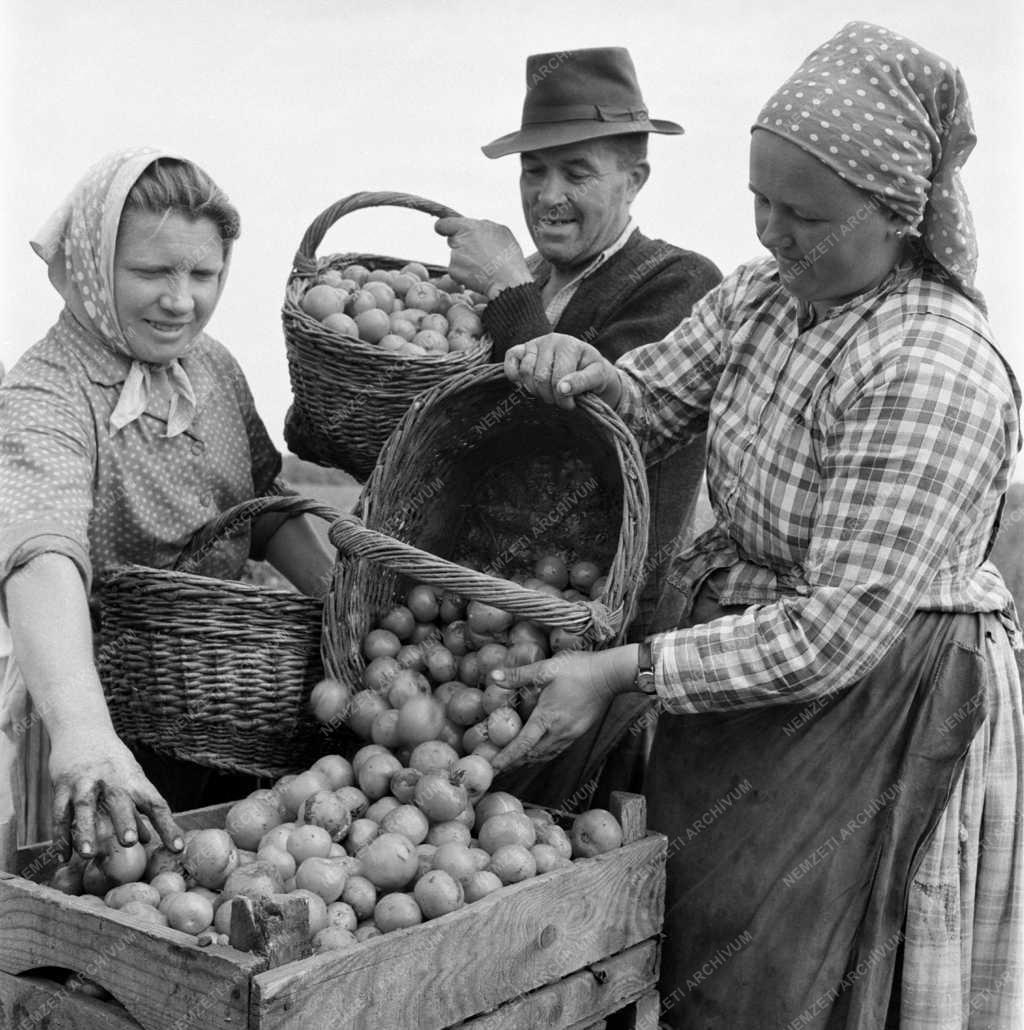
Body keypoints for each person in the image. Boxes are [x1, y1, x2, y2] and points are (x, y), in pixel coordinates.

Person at [488, 22, 1023, 1028]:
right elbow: (650, 398)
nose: (772, 233)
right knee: (710, 952)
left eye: (803, 214)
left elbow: (833, 634)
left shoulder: (928, 365)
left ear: (896, 214)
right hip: (747, 671)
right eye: (758, 200)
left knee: (810, 969)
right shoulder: (763, 300)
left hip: (878, 695)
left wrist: (618, 670)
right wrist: (596, 375)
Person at [0, 148, 334, 868]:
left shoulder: (211, 367)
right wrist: (85, 735)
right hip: (105, 722)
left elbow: (261, 509)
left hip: (231, 703)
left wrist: (344, 608)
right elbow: (40, 553)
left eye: (204, 274)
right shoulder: (47, 394)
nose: (182, 300)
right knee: (100, 916)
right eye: (152, 272)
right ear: (92, 265)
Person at [435, 46, 721, 809]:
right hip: (472, 624)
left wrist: (506, 290)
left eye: (577, 173)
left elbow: (588, 433)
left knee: (551, 845)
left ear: (636, 178)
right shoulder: (516, 286)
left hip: (589, 641)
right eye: (535, 173)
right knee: (443, 825)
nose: (548, 196)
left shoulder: (677, 283)